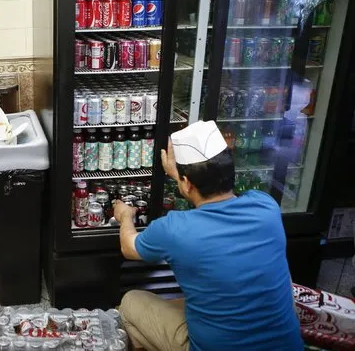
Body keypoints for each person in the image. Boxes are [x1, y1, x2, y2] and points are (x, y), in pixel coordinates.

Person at [114, 120, 303, 351]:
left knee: (131, 302)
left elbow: (128, 247)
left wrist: (125, 216)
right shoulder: (266, 206)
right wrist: (182, 178)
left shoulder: (175, 228)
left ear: (187, 184)